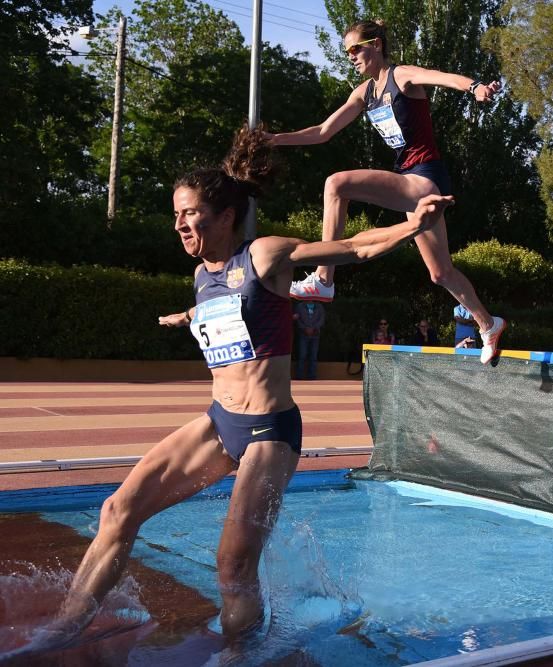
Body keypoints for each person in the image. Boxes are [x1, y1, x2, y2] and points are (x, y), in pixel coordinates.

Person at [37, 126, 451, 649]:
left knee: (233, 564)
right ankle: (62, 629)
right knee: (117, 511)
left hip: (268, 432)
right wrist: (184, 315)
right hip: (219, 420)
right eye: (176, 214)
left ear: (226, 215)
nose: (180, 223)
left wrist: (410, 227)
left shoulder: (264, 256)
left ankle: (240, 652)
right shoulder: (200, 275)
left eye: (189, 212)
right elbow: (221, 308)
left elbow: (351, 247)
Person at [265, 18, 506, 364]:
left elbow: (443, 77)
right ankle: (488, 324)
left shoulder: (402, 75)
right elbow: (322, 132)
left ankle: (323, 278)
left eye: (355, 49)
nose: (351, 56)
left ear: (376, 45)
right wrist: (275, 140)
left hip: (424, 178)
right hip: (410, 186)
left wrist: (475, 87)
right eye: (346, 51)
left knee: (336, 184)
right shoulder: (364, 93)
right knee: (440, 273)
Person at [293, 301, 325, 380]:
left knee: (313, 356)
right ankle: (299, 376)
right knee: (302, 355)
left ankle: (312, 376)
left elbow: (322, 319)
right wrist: (304, 328)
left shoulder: (319, 306)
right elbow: (298, 320)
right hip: (303, 334)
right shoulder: (300, 306)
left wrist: (314, 328)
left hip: (315, 334)